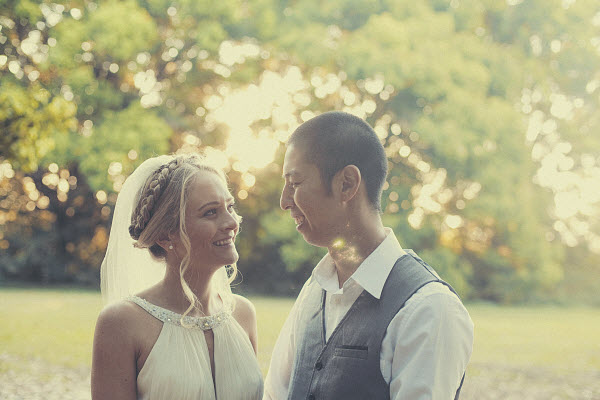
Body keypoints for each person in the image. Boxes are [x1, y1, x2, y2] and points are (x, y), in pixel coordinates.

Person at [263, 111, 474, 400]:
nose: (284, 201)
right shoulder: (313, 292)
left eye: (296, 183)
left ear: (347, 183)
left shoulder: (429, 309)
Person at [91, 154, 263, 400]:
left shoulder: (243, 314)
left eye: (230, 207)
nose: (231, 222)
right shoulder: (122, 322)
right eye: (210, 212)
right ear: (166, 235)